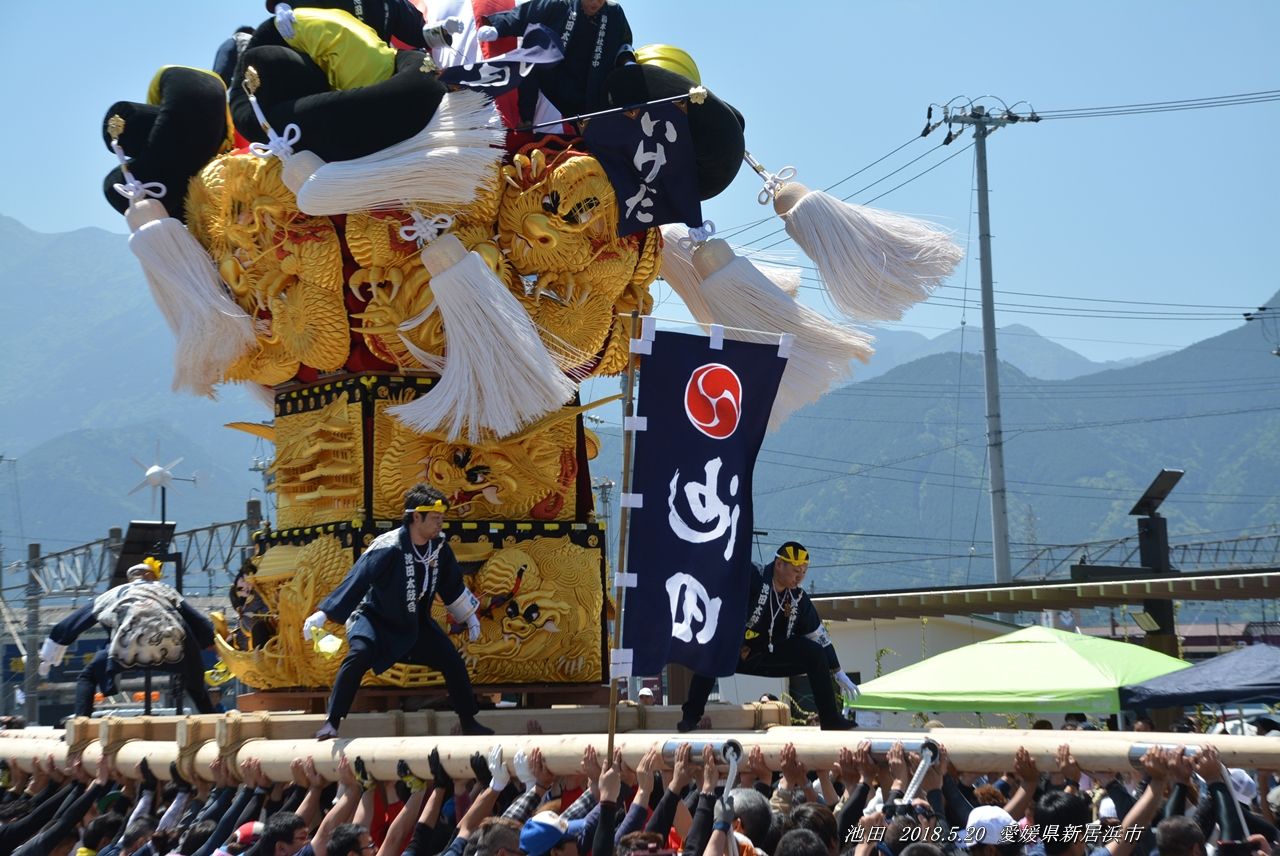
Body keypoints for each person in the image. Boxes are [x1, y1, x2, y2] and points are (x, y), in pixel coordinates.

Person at [304, 484, 492, 739]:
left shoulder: (439, 548)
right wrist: (323, 615)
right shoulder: (388, 546)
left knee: (452, 660)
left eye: (442, 519)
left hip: (415, 622)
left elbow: (452, 585)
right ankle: (332, 721)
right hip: (373, 618)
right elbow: (357, 579)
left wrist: (469, 616)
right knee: (359, 654)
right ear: (417, 517)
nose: (440, 525)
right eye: (436, 519)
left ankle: (469, 722)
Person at [678, 542, 858, 732]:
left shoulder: (798, 599)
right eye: (796, 570)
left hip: (769, 654)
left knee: (815, 652)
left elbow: (819, 636)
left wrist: (837, 670)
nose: (800, 576)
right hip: (734, 652)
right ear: (779, 564)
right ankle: (690, 717)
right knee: (712, 652)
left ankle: (830, 718)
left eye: (804, 571)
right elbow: (725, 573)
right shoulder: (753, 576)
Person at [38, 559, 220, 717]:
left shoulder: (115, 592)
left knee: (88, 676)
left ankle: (81, 723)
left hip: (127, 646)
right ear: (152, 576)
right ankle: (212, 722)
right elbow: (196, 619)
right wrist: (213, 642)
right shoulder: (165, 589)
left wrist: (53, 650)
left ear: (130, 578)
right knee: (195, 683)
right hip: (172, 643)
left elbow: (80, 618)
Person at [477, 0, 634, 122]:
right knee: (531, 54)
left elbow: (623, 44)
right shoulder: (560, 4)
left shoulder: (614, 13)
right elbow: (525, 15)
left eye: (600, 0)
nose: (595, 4)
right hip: (551, 85)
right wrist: (498, 28)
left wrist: (627, 62)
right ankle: (526, 121)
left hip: (589, 91)